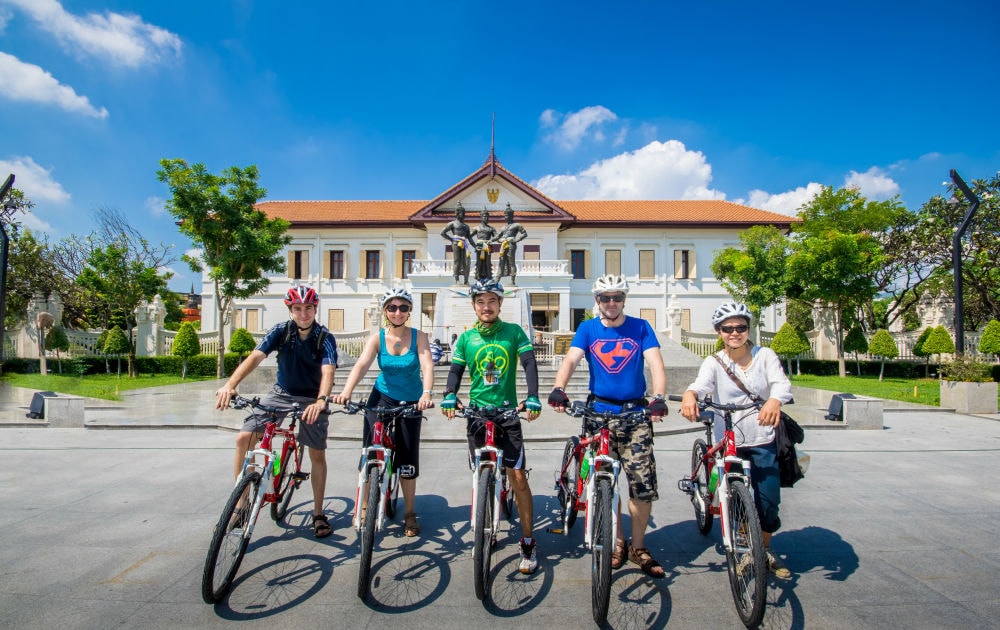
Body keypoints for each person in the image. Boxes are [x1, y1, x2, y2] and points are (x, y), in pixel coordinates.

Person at [548, 274, 669, 578]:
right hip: (598, 415)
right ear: (597, 301)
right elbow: (571, 360)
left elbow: (655, 363)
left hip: (635, 416)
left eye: (617, 297)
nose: (612, 303)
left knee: (641, 485)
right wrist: (559, 388)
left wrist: (657, 398)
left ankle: (638, 547)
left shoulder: (640, 327)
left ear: (624, 300)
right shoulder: (588, 328)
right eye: (606, 298)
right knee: (605, 483)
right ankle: (617, 542)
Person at [679, 301, 794, 579]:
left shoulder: (765, 355)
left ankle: (764, 548)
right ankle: (745, 550)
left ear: (748, 329)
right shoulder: (714, 362)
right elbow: (702, 384)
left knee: (768, 501)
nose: (734, 333)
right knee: (735, 499)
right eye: (727, 328)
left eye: (740, 327)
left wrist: (775, 400)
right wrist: (690, 394)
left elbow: (780, 383)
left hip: (762, 438)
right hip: (729, 439)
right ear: (719, 332)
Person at [216, 285, 338, 538]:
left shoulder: (325, 337)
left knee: (316, 453)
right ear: (290, 310)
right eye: (297, 308)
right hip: (281, 393)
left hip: (312, 397)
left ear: (315, 309)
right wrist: (230, 385)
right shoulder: (281, 331)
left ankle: (318, 513)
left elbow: (328, 371)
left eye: (308, 308)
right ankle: (240, 503)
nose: (303, 313)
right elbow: (255, 357)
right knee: (244, 437)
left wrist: (321, 400)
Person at [440, 278, 543, 574]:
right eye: (481, 302)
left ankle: (527, 541)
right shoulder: (466, 337)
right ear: (473, 306)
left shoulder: (513, 332)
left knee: (519, 478)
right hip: (477, 415)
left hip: (508, 413)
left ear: (500, 304)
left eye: (492, 301)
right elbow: (456, 370)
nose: (487, 307)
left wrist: (533, 396)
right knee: (480, 476)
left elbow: (529, 363)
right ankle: (486, 530)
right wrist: (449, 394)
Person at [332, 288, 435, 537]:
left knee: (408, 459)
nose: (397, 312)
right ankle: (366, 504)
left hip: (410, 399)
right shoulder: (377, 338)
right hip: (382, 396)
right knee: (370, 450)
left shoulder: (419, 336)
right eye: (392, 307)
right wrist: (346, 391)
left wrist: (427, 393)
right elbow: (362, 364)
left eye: (402, 307)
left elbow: (427, 364)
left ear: (409, 311)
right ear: (385, 311)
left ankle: (409, 513)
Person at [493, 203, 528, 285]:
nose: (505, 217)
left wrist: (516, 240)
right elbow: (498, 236)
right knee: (501, 261)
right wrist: (491, 240)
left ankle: (512, 280)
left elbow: (524, 234)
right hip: (503, 245)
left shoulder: (516, 225)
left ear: (511, 216)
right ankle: (497, 279)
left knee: (511, 262)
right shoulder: (503, 227)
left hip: (511, 245)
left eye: (507, 215)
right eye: (504, 215)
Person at [440, 203, 472, 284]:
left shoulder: (466, 226)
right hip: (456, 243)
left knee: (465, 261)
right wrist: (451, 239)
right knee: (457, 261)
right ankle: (457, 279)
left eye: (464, 213)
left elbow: (470, 238)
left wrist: (475, 246)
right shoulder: (452, 224)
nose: (464, 215)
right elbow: (442, 233)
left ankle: (466, 279)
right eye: (462, 213)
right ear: (457, 214)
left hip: (464, 243)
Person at [470, 208, 497, 282]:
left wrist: (492, 240)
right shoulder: (477, 228)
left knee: (488, 262)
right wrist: (474, 245)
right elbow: (469, 236)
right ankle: (478, 276)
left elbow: (496, 237)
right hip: (480, 246)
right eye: (484, 216)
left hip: (488, 246)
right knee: (479, 261)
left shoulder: (491, 228)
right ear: (481, 217)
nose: (486, 218)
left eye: (487, 216)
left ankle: (489, 277)